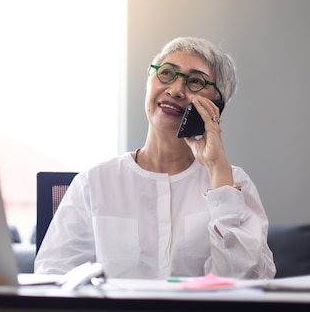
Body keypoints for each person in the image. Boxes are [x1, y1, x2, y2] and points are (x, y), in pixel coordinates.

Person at [34, 37, 276, 279]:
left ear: (216, 106)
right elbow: (52, 276)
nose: (175, 90)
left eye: (195, 81)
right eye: (167, 73)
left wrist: (217, 169)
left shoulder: (235, 184)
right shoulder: (94, 183)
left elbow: (251, 282)